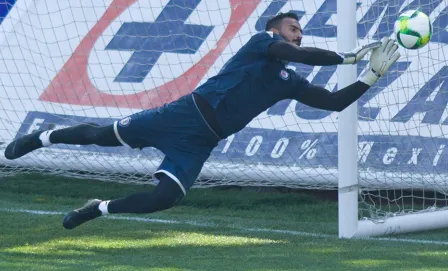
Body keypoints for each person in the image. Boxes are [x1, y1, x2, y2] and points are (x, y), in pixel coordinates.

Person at [4, 12, 400, 229]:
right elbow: (297, 54)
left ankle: (100, 208)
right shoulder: (261, 45)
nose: (298, 36)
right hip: (181, 115)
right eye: (293, 29)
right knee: (99, 136)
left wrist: (371, 75)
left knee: (167, 198)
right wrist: (348, 58)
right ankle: (43, 138)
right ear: (274, 29)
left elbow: (333, 102)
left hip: (200, 142)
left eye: (300, 32)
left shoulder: (288, 81)